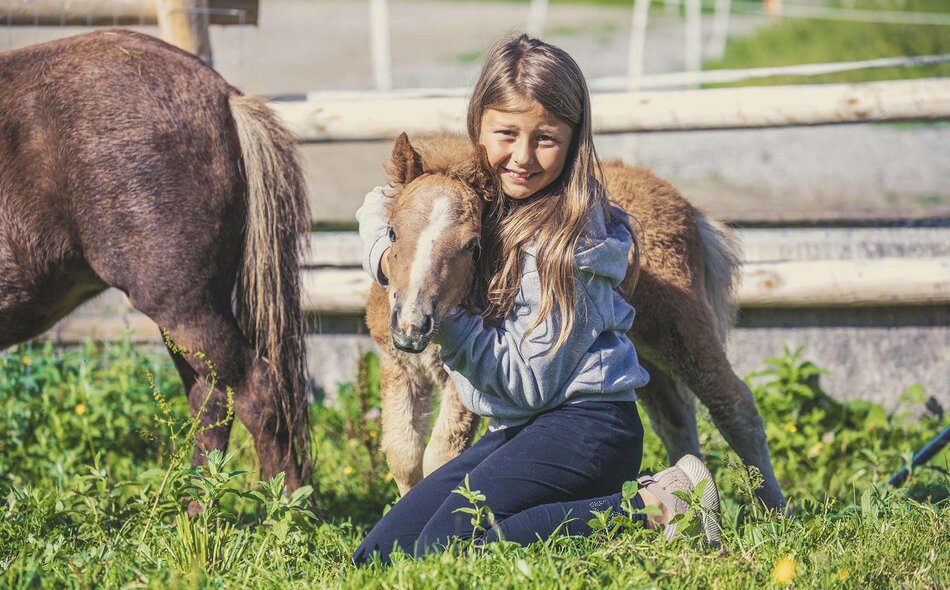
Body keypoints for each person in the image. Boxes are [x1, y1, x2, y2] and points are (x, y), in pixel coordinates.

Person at [352, 34, 721, 565]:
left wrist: (445, 312)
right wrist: (390, 259)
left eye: (546, 139)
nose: (522, 157)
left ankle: (660, 502)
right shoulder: (481, 192)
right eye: (506, 134)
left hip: (587, 425)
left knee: (446, 547)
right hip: (516, 430)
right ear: (477, 127)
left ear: (574, 140)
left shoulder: (576, 241)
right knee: (380, 555)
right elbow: (383, 201)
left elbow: (527, 386)